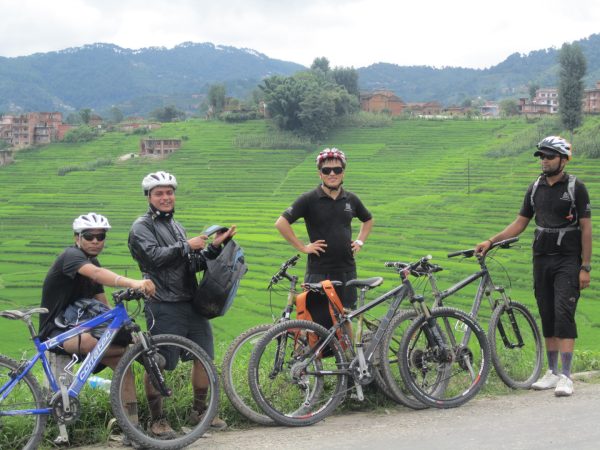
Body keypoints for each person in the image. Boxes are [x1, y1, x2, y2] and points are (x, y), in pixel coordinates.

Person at [475, 136, 592, 397]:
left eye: (549, 156)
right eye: (541, 156)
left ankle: (566, 375)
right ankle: (551, 372)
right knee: (547, 313)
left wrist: (585, 267)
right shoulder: (535, 187)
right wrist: (491, 241)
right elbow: (520, 223)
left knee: (563, 313)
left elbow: (586, 228)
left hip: (567, 260)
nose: (544, 161)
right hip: (541, 258)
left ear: (563, 159)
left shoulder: (575, 187)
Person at [128, 171, 235, 435]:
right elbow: (154, 258)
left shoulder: (176, 226)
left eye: (169, 192)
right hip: (163, 304)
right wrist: (187, 246)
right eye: (159, 193)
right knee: (159, 362)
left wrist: (213, 249)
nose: (165, 197)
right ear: (149, 197)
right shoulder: (142, 226)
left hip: (190, 302)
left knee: (205, 359)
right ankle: (157, 421)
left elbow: (190, 264)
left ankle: (201, 414)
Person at [39, 212, 156, 430]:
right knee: (96, 344)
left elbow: (102, 304)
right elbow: (96, 273)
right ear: (77, 237)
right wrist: (133, 283)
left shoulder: (91, 260)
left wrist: (122, 330)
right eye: (89, 236)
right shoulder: (71, 257)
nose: (95, 241)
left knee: (125, 365)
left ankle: (132, 427)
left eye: (100, 237)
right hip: (57, 332)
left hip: (78, 327)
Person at [275, 148, 373, 308]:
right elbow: (281, 223)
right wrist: (303, 247)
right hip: (318, 271)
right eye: (326, 170)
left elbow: (368, 219)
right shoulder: (309, 199)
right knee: (317, 320)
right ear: (320, 174)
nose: (332, 174)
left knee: (345, 316)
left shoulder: (351, 199)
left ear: (343, 173)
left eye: (337, 169)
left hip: (346, 269)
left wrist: (360, 241)